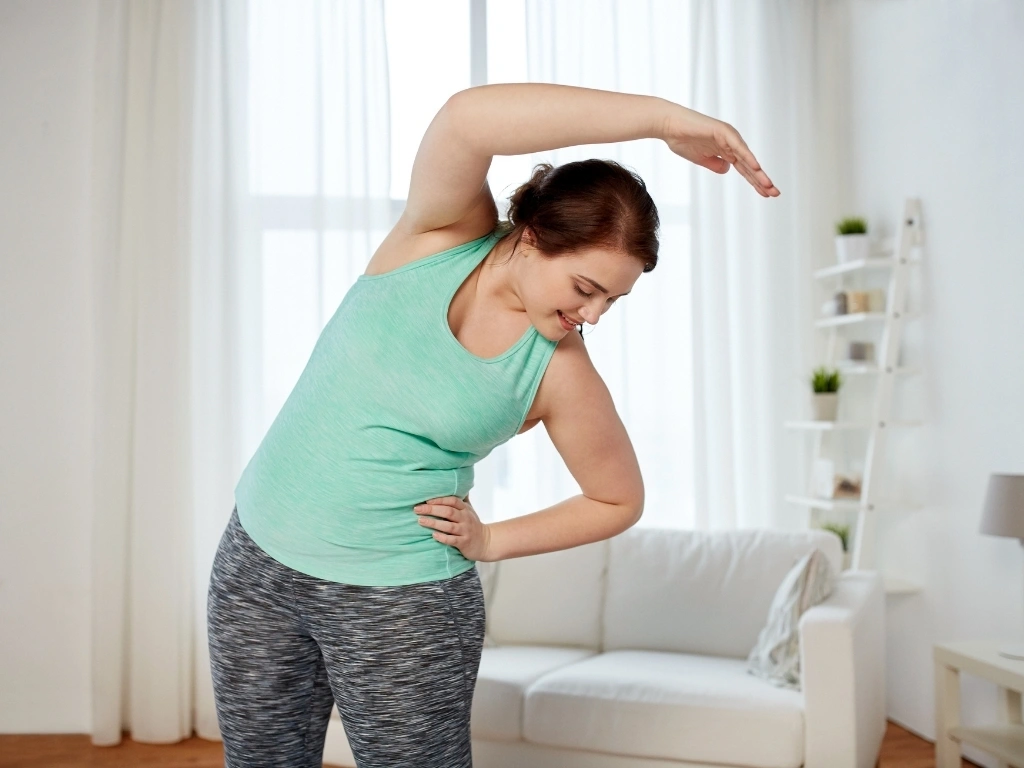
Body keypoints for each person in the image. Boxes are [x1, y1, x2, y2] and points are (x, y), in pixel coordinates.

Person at [206, 82, 778, 768]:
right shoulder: (438, 235)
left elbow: (619, 498)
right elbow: (466, 119)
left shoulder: (560, 369)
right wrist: (664, 121)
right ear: (533, 236)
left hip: (401, 605)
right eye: (586, 290)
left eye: (613, 300)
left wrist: (491, 540)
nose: (594, 316)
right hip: (256, 562)